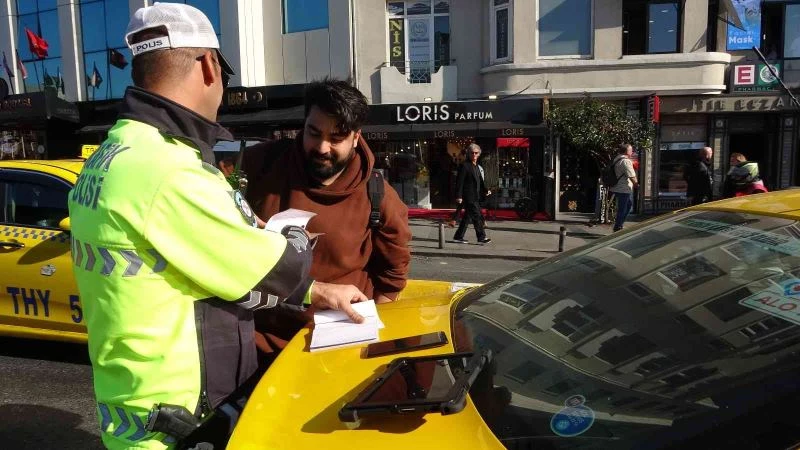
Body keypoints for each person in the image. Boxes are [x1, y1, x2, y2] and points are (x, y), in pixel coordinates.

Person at [67, 4, 366, 449]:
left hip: (136, 408)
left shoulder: (113, 154)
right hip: (179, 422)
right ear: (209, 65)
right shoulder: (168, 169)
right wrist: (279, 236)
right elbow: (277, 269)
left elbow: (204, 264)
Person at [244, 79, 411, 356]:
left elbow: (393, 276)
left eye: (336, 138)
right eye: (314, 132)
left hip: (339, 345)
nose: (322, 147)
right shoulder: (257, 166)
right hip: (258, 342)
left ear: (356, 137)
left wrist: (373, 334)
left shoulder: (378, 194)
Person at [453, 143, 491, 244]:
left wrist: (486, 190)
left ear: (479, 154)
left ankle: (458, 236)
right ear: (468, 154)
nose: (474, 154)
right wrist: (459, 196)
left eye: (476, 153)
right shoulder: (464, 166)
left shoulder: (477, 167)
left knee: (467, 217)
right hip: (469, 196)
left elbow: (480, 182)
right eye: (472, 153)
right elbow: (459, 182)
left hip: (476, 196)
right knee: (477, 216)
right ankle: (481, 237)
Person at [609, 143, 638, 232]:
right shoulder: (625, 161)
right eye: (631, 150)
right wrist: (636, 184)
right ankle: (618, 226)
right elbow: (631, 175)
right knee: (623, 208)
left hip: (617, 187)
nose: (632, 151)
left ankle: (619, 224)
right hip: (623, 188)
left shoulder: (617, 158)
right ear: (627, 151)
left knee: (627, 205)